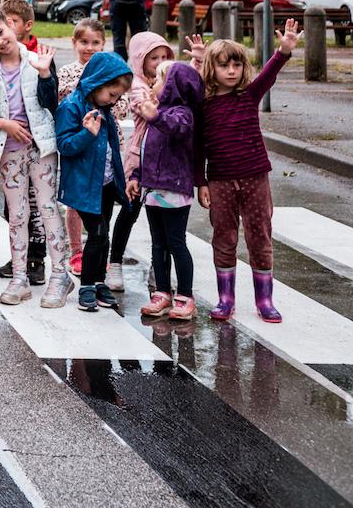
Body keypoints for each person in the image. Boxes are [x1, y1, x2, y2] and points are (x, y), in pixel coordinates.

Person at [193, 20, 302, 322]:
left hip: (255, 177)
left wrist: (283, 51)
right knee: (224, 237)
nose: (231, 71)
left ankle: (264, 299)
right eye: (224, 65)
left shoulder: (250, 95)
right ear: (211, 70)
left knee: (259, 236)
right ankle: (225, 298)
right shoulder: (204, 105)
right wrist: (200, 182)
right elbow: (197, 147)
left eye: (236, 65)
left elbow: (269, 75)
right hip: (220, 180)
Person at [0, 6, 72, 308]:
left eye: (1, 32)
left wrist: (44, 74)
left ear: (11, 26)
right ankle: (19, 277)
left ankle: (60, 275)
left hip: (40, 147)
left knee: (47, 207)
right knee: (17, 214)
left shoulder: (36, 59)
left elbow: (50, 103)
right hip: (9, 150)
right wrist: (4, 123)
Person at [54, 51, 134, 312]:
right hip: (83, 184)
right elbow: (65, 146)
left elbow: (112, 148)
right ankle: (86, 285)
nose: (114, 100)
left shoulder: (104, 109)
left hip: (106, 183)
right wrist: (87, 133)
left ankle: (99, 281)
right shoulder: (71, 107)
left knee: (104, 234)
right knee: (97, 232)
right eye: (112, 94)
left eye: (118, 96)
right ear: (97, 82)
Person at [129, 61, 202, 321]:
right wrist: (136, 175)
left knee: (176, 243)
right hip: (153, 189)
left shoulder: (182, 113)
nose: (153, 85)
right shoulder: (157, 112)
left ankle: (185, 295)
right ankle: (161, 292)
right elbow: (147, 149)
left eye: (159, 81)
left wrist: (155, 116)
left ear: (173, 86)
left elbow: (177, 128)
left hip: (174, 190)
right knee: (158, 244)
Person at [109, 31, 176, 292]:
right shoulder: (135, 84)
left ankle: (157, 269)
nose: (159, 62)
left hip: (166, 158)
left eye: (164, 57)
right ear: (140, 60)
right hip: (140, 157)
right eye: (153, 58)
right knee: (130, 210)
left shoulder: (166, 79)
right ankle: (114, 263)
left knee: (163, 215)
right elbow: (145, 108)